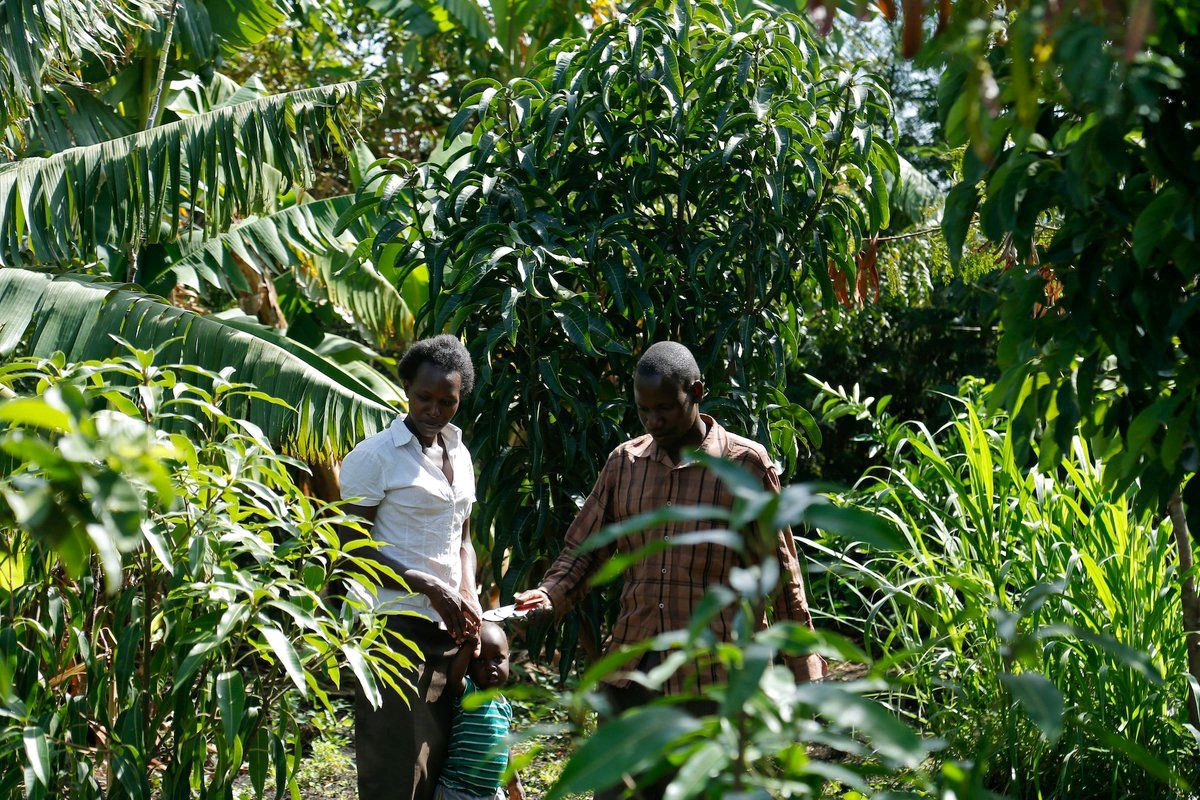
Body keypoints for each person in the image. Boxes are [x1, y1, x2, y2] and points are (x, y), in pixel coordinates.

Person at [514, 341, 825, 795]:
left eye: (664, 409)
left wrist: (804, 672)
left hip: (714, 680)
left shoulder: (744, 465)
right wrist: (548, 595)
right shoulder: (626, 463)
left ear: (696, 392)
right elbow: (584, 550)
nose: (653, 422)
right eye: (644, 411)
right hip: (633, 672)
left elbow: (781, 575)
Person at [339, 334, 483, 800]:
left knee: (434, 761)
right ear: (406, 388)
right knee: (394, 765)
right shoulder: (375, 457)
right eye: (424, 397)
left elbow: (463, 540)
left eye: (448, 402)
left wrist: (468, 594)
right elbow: (350, 549)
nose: (434, 410)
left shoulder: (460, 454)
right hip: (391, 626)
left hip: (447, 629)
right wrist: (424, 584)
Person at [437, 621, 524, 800]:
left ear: (508, 658)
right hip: (457, 790)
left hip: (490, 793)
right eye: (481, 661)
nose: (490, 666)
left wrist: (514, 781)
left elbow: (503, 745)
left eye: (498, 659)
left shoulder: (504, 706)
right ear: (469, 664)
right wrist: (470, 644)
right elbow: (454, 678)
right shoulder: (469, 693)